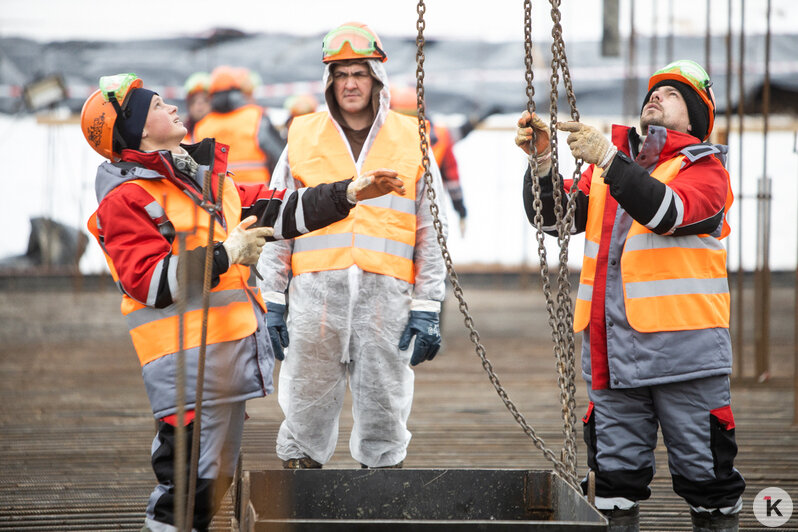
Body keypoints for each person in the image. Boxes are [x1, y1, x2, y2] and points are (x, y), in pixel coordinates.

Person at [80, 72, 405, 532]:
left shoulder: (201, 182)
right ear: (138, 132)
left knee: (211, 484)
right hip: (186, 367)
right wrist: (227, 253)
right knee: (184, 490)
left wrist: (350, 192)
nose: (173, 108)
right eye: (157, 106)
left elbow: (282, 208)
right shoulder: (127, 198)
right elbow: (148, 281)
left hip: (224, 362)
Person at [516, 60, 744, 532]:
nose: (656, 97)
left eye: (673, 95)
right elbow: (556, 219)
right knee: (613, 484)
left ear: (696, 120)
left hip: (687, 357)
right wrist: (542, 162)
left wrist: (608, 159)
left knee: (708, 483)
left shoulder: (704, 169)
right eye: (653, 92)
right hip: (613, 355)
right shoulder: (611, 166)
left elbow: (665, 210)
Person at [257, 22, 448, 470]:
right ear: (328, 81)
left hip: (387, 304)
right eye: (340, 74)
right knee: (304, 411)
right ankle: (299, 497)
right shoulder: (303, 136)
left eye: (358, 73)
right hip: (314, 302)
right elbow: (278, 219)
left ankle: (380, 497)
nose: (349, 83)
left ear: (376, 77)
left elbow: (431, 231)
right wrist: (271, 297)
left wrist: (428, 304)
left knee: (385, 413)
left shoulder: (412, 138)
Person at [390, 84, 496, 237]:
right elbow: (452, 177)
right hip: (421, 210)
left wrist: (461, 210)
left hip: (407, 210)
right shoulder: (440, 134)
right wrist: (461, 210)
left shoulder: (386, 137)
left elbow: (452, 177)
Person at [192, 65, 285, 183]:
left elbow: (195, 170)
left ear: (211, 95)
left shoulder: (202, 126)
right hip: (258, 196)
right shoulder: (255, 116)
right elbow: (279, 156)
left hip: (220, 197)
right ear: (238, 91)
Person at [181, 71, 211, 141]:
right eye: (194, 101)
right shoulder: (182, 134)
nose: (199, 105)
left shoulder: (223, 130)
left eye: (205, 100)